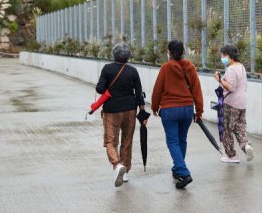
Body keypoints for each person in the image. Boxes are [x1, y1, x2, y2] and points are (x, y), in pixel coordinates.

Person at [151, 40, 203, 189]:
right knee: (182, 140)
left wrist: (155, 107)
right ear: (183, 52)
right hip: (187, 108)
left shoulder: (165, 67)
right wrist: (199, 111)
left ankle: (183, 172)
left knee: (172, 141)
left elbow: (157, 89)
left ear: (169, 52)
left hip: (169, 110)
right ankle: (177, 168)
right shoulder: (190, 67)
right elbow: (197, 90)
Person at [96, 43, 144, 188]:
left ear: (114, 55)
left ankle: (117, 165)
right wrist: (142, 111)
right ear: (128, 56)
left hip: (112, 110)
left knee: (110, 140)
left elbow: (99, 89)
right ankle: (126, 172)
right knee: (127, 140)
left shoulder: (107, 69)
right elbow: (139, 92)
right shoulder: (133, 71)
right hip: (130, 109)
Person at [214, 44, 253, 163]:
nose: (222, 58)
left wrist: (219, 80)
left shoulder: (231, 69)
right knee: (240, 127)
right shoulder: (241, 66)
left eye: (223, 56)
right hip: (242, 103)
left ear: (229, 56)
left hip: (231, 103)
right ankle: (246, 146)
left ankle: (231, 156)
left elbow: (231, 87)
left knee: (227, 129)